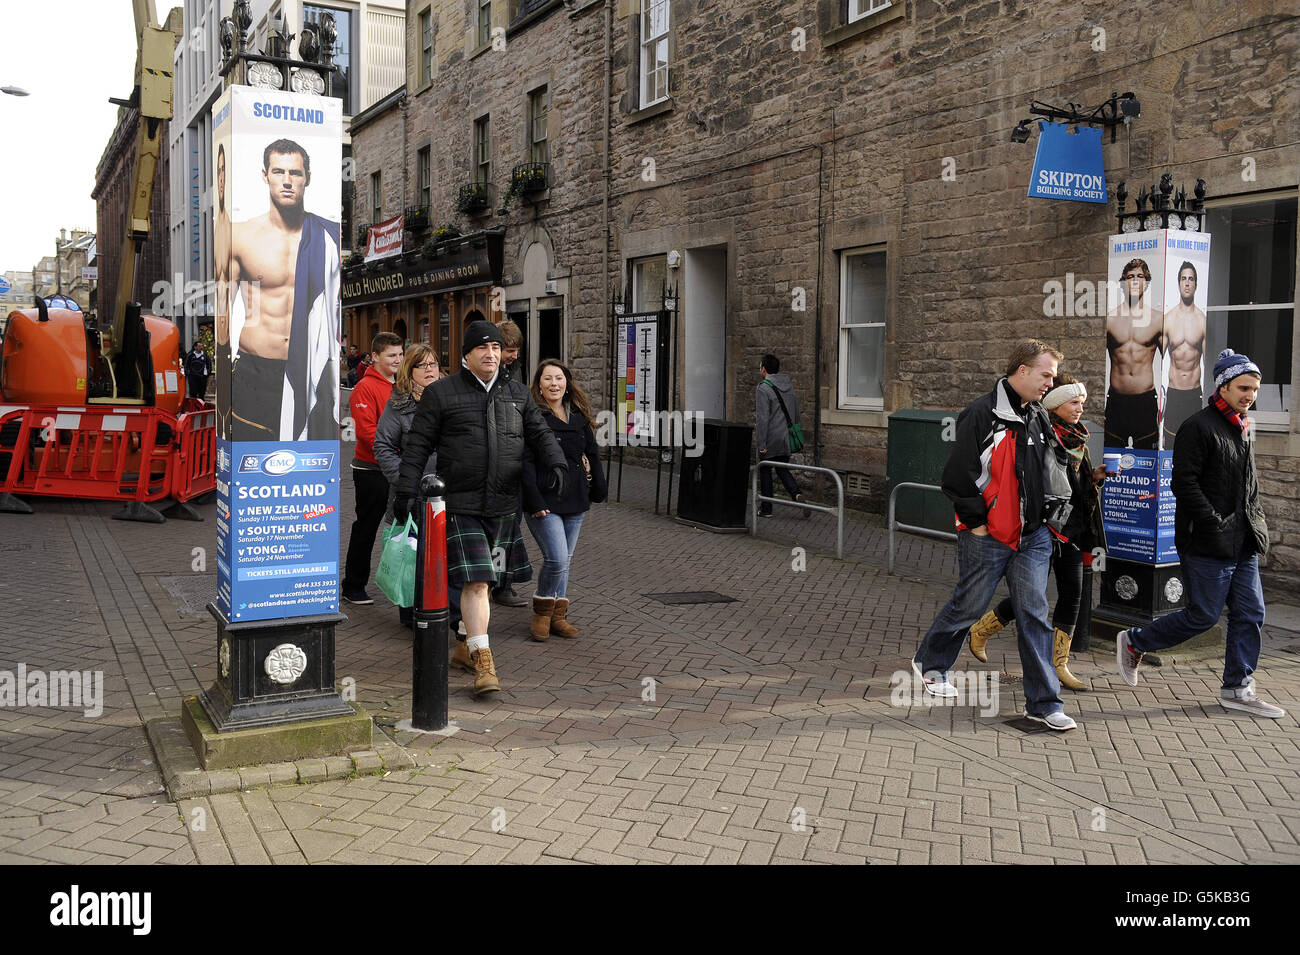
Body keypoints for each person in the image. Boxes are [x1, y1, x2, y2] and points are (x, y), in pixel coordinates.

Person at [910, 340, 1077, 731]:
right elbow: (955, 476)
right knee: (970, 605)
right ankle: (930, 663)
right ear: (1021, 371)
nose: (1049, 384)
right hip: (988, 534)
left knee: (1033, 613)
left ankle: (1044, 703)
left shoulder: (1036, 413)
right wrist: (977, 522)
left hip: (1031, 536)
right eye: (1046, 375)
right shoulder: (982, 413)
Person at [395, 320, 566, 696]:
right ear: (466, 356)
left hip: (504, 504)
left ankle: (461, 645)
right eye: (482, 349)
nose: (491, 355)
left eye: (495, 348)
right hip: (461, 504)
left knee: (484, 585)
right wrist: (405, 492)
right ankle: (483, 661)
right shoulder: (442, 394)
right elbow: (418, 447)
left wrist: (556, 462)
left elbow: (538, 433)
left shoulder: (518, 394)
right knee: (477, 582)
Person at [1117, 350, 1284, 718]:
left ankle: (1238, 688)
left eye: (1254, 389)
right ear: (1222, 386)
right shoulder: (1199, 426)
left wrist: (1255, 522)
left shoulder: (1243, 425)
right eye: (1243, 387)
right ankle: (1135, 640)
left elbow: (1248, 484)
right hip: (1207, 541)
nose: (1249, 395)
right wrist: (1213, 522)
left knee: (1251, 612)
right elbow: (1184, 483)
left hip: (1243, 541)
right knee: (1203, 616)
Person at [966, 372, 1107, 691]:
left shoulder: (1077, 436)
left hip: (1072, 528)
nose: (1081, 408)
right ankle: (982, 630)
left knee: (1073, 591)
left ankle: (1060, 665)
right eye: (1074, 402)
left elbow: (1075, 482)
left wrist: (1094, 476)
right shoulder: (1039, 435)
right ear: (1056, 405)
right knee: (1030, 595)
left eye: (1082, 402)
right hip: (1043, 528)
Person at [229, 138, 341, 441]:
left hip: (310, 369)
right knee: (252, 464)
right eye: (278, 172)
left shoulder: (330, 236)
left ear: (308, 179)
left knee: (307, 468)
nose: (288, 181)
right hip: (257, 370)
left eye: (296, 173)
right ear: (265, 175)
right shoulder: (240, 236)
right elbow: (223, 314)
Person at [522, 359, 608, 641]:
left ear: (567, 382)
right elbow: (525, 462)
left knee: (566, 559)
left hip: (575, 498)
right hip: (544, 498)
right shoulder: (533, 417)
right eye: (547, 379)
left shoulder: (579, 416)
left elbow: (592, 454)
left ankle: (558, 616)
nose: (554, 384)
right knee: (556, 558)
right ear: (539, 385)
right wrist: (533, 500)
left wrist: (599, 489)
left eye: (559, 378)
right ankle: (542, 612)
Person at [373, 344, 440, 627]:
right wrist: (405, 481)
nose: (430, 370)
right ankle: (409, 607)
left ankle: (440, 606)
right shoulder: (398, 404)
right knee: (411, 550)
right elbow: (383, 445)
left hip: (446, 491)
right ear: (409, 371)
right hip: (410, 492)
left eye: (434, 364)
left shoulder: (449, 399)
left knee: (440, 551)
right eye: (422, 365)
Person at [342, 332, 404, 605]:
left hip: (400, 467)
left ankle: (401, 586)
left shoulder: (402, 385)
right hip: (371, 469)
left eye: (401, 355)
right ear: (375, 356)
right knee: (366, 527)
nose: (398, 360)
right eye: (392, 355)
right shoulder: (364, 388)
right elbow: (368, 433)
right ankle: (353, 586)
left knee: (403, 529)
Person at [492, 317, 530, 608]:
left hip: (511, 473)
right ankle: (492, 582)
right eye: (510, 350)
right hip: (491, 471)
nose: (514, 356)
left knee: (508, 533)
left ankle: (501, 583)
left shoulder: (513, 376)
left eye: (516, 350)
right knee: (495, 534)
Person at [1105, 257, 1162, 450]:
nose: (1135, 280)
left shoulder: (1158, 319)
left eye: (1140, 276)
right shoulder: (1110, 319)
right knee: (1111, 462)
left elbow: (1173, 363)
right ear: (1123, 283)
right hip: (1117, 401)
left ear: (1146, 282)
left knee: (1148, 462)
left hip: (1145, 400)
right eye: (1130, 277)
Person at [755, 354, 810, 518]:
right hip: (786, 437)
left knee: (765, 470)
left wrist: (761, 444)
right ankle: (796, 494)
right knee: (782, 469)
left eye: (760, 366)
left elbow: (763, 419)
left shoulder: (763, 388)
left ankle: (766, 509)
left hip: (770, 438)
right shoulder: (789, 386)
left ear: (764, 369)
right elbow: (795, 414)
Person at [1162, 261, 1207, 447]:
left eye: (1191, 279)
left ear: (1196, 284)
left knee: (1194, 446)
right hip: (1174, 394)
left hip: (1194, 394)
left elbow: (1209, 363)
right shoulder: (1168, 320)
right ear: (1178, 283)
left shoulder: (1202, 321)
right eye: (1183, 279)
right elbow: (1156, 361)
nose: (1187, 283)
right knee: (1170, 446)